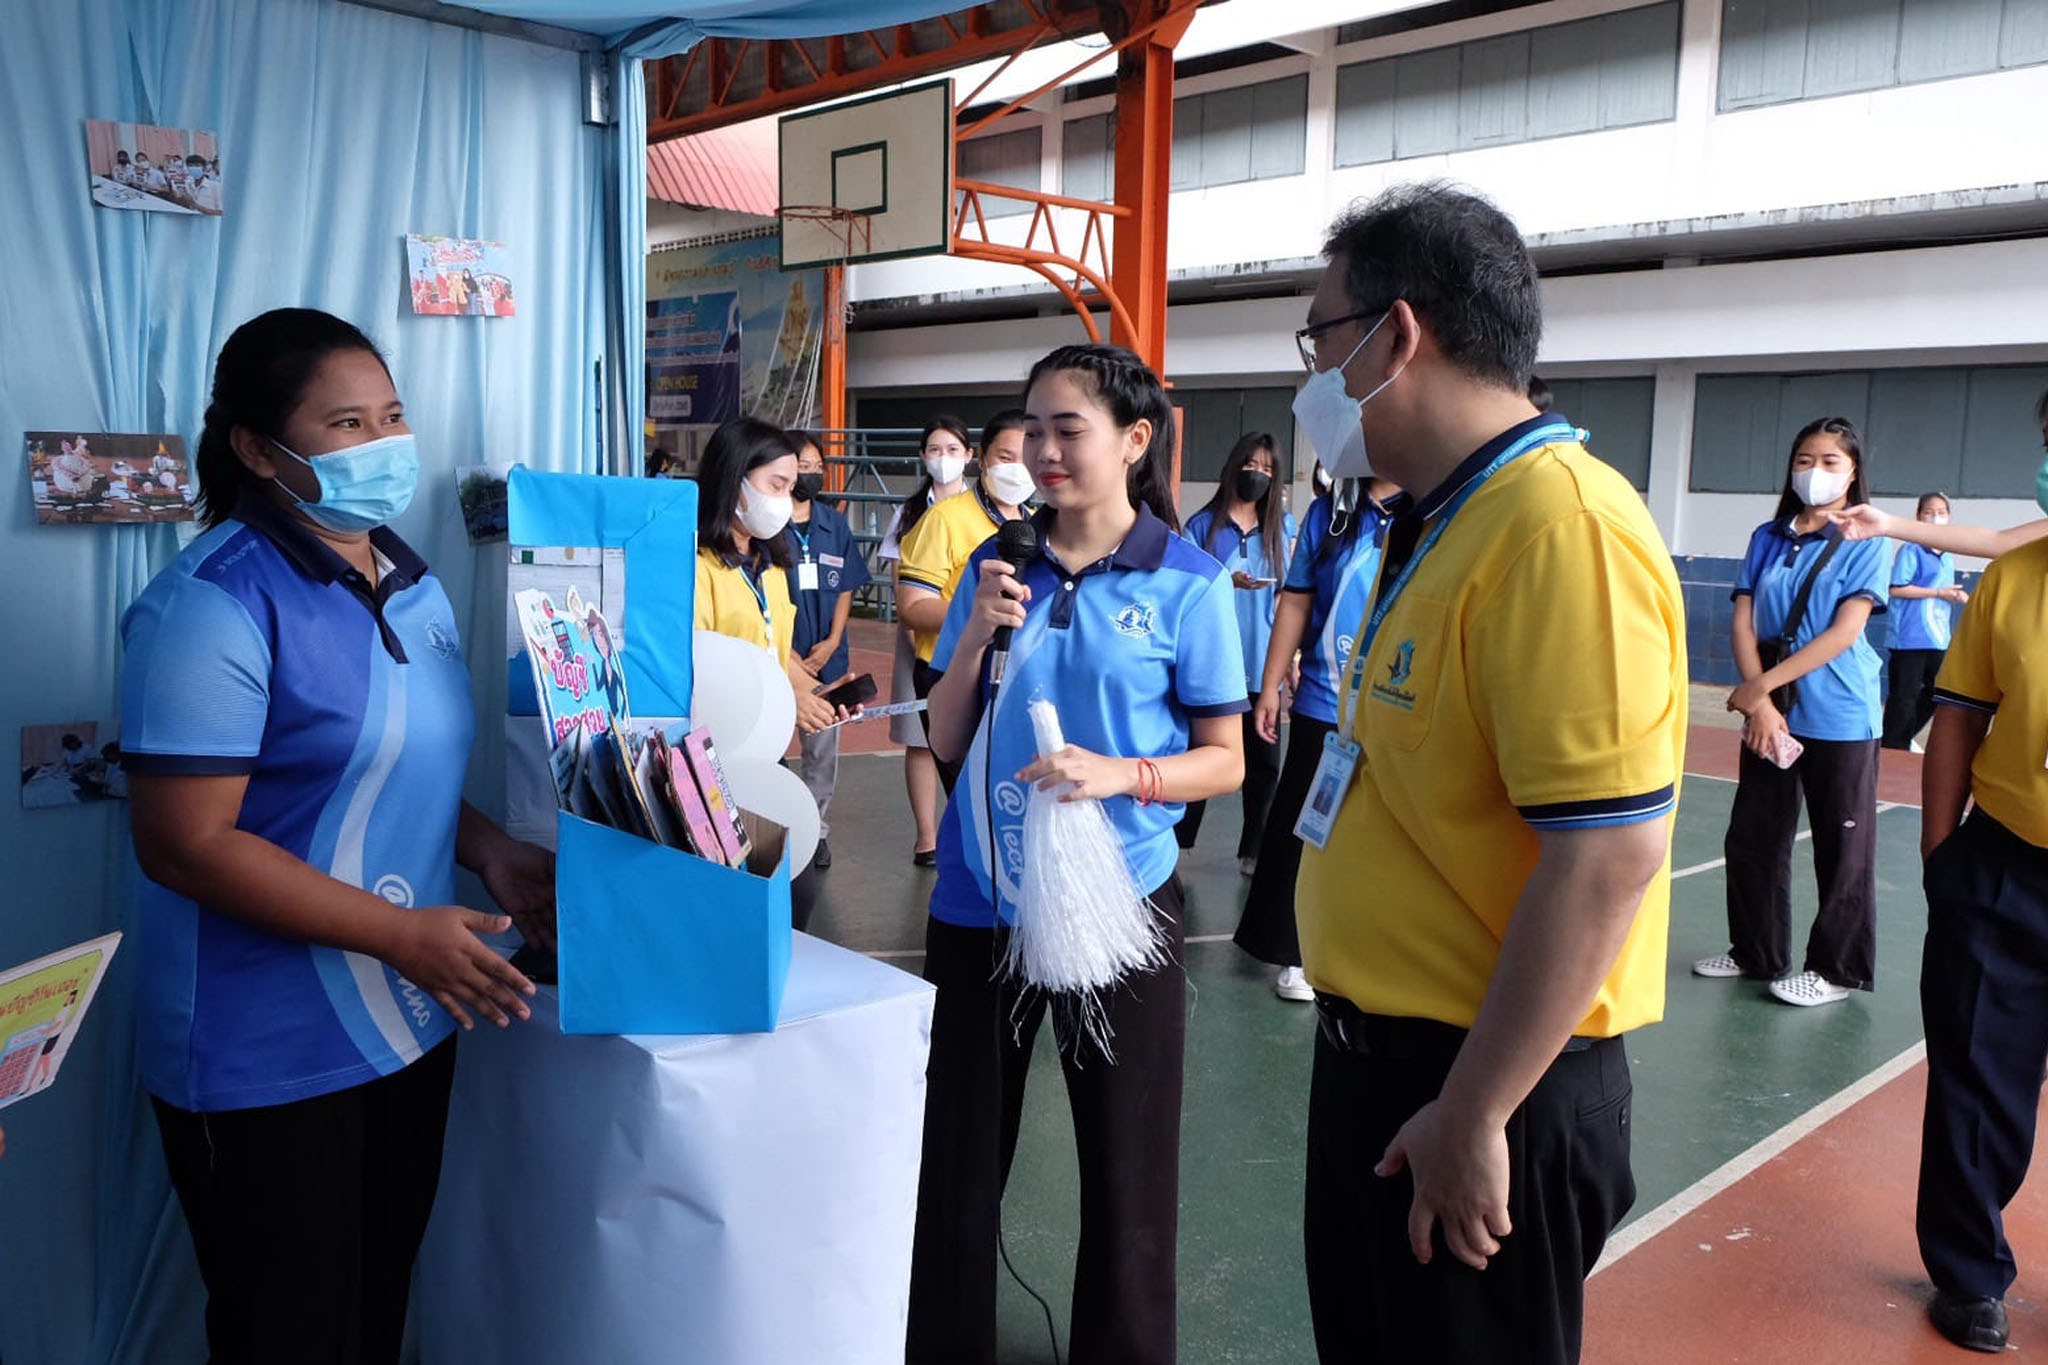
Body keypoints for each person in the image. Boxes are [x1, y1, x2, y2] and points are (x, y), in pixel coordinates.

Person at [1292, 184, 1684, 1365]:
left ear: (1392, 335)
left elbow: (1605, 853)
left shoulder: (1558, 526)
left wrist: (1474, 1109)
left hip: (1479, 1086)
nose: (1313, 377)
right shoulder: (1440, 518)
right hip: (1399, 1070)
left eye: (1319, 339)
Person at [119, 308, 555, 1365]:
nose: (383, 444)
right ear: (260, 451)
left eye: (392, 415)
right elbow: (185, 844)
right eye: (346, 423)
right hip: (261, 1052)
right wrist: (400, 934)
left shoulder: (410, 581)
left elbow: (381, 758)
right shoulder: (210, 607)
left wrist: (486, 845)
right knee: (290, 1336)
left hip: (404, 1025)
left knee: (371, 1317)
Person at [907, 343, 1246, 1365]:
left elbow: (1222, 761)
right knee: (955, 1156)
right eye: (1031, 429)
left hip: (1116, 905)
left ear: (1134, 441)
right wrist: (971, 635)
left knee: (1125, 1159)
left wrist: (1121, 774)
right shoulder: (993, 563)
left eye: (1069, 429)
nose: (1041, 452)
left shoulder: (1188, 584)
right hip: (981, 897)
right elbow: (946, 736)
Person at [1912, 416, 2048, 1352]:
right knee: (1977, 1078)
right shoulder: (2013, 580)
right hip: (2005, 866)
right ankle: (1966, 1274)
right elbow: (1958, 720)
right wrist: (1939, 853)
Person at [1692, 417, 1890, 1008]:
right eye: (1806, 459)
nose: (1816, 471)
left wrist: (1761, 691)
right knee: (1754, 834)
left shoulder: (1869, 540)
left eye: (1831, 461)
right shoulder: (1768, 536)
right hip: (1771, 709)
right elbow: (1743, 619)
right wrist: (1763, 700)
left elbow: (1844, 631)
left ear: (1854, 471)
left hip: (1839, 713)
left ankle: (1835, 970)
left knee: (1842, 844)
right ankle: (1755, 951)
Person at [693, 416, 852, 932]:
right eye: (776, 485)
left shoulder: (770, 561)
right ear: (734, 479)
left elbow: (773, 649)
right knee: (751, 899)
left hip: (764, 750)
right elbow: (702, 666)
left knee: (793, 892)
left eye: (792, 486)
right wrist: (789, 698)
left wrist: (818, 695)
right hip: (712, 759)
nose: (786, 500)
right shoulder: (695, 563)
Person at [1246, 473, 1399, 1002]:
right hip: (1323, 703)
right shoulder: (1331, 513)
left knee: (1388, 835)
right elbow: (1295, 601)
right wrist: (1270, 684)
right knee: (1308, 830)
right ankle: (1297, 952)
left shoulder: (1434, 503)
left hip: (1401, 705)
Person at [895, 409, 1033, 793]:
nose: (1018, 469)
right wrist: (979, 615)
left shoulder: (1034, 523)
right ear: (983, 457)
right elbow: (911, 607)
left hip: (1012, 673)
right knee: (969, 793)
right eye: (1006, 457)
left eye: (1027, 457)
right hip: (950, 669)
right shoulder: (944, 519)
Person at [1176, 432, 1295, 875]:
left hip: (1263, 669)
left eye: (1267, 469)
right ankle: (1180, 844)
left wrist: (1288, 669)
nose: (1258, 475)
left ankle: (1253, 851)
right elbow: (1186, 592)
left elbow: (1293, 598)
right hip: (1212, 667)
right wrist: (1227, 581)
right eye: (1251, 465)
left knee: (1264, 767)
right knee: (1200, 758)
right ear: (1233, 467)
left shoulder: (1284, 529)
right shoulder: (1202, 527)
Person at [878, 416, 972, 866]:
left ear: (970, 455)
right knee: (920, 738)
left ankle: (965, 829)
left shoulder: (982, 510)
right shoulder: (910, 513)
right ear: (922, 456)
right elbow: (904, 586)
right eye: (935, 449)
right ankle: (927, 837)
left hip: (969, 643)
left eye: (953, 449)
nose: (943, 458)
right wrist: (918, 631)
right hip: (918, 641)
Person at [781, 430, 871, 872]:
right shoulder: (768, 525)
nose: (811, 474)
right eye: (803, 465)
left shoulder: (834, 525)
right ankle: (776, 828)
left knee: (822, 752)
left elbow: (846, 587)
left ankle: (813, 830)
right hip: (780, 659)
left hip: (828, 659)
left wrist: (834, 640)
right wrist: (792, 659)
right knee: (772, 750)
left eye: (817, 467)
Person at [1882, 492, 1968, 751]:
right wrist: (1939, 593)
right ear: (1919, 516)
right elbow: (1896, 588)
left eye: (1941, 512)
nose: (1935, 517)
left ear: (1949, 516)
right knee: (1903, 696)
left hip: (1937, 636)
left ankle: (1902, 736)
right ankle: (1892, 747)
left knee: (1938, 690)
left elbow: (1941, 590)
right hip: (1909, 635)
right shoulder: (1911, 550)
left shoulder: (1948, 554)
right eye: (1929, 512)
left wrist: (1953, 595)